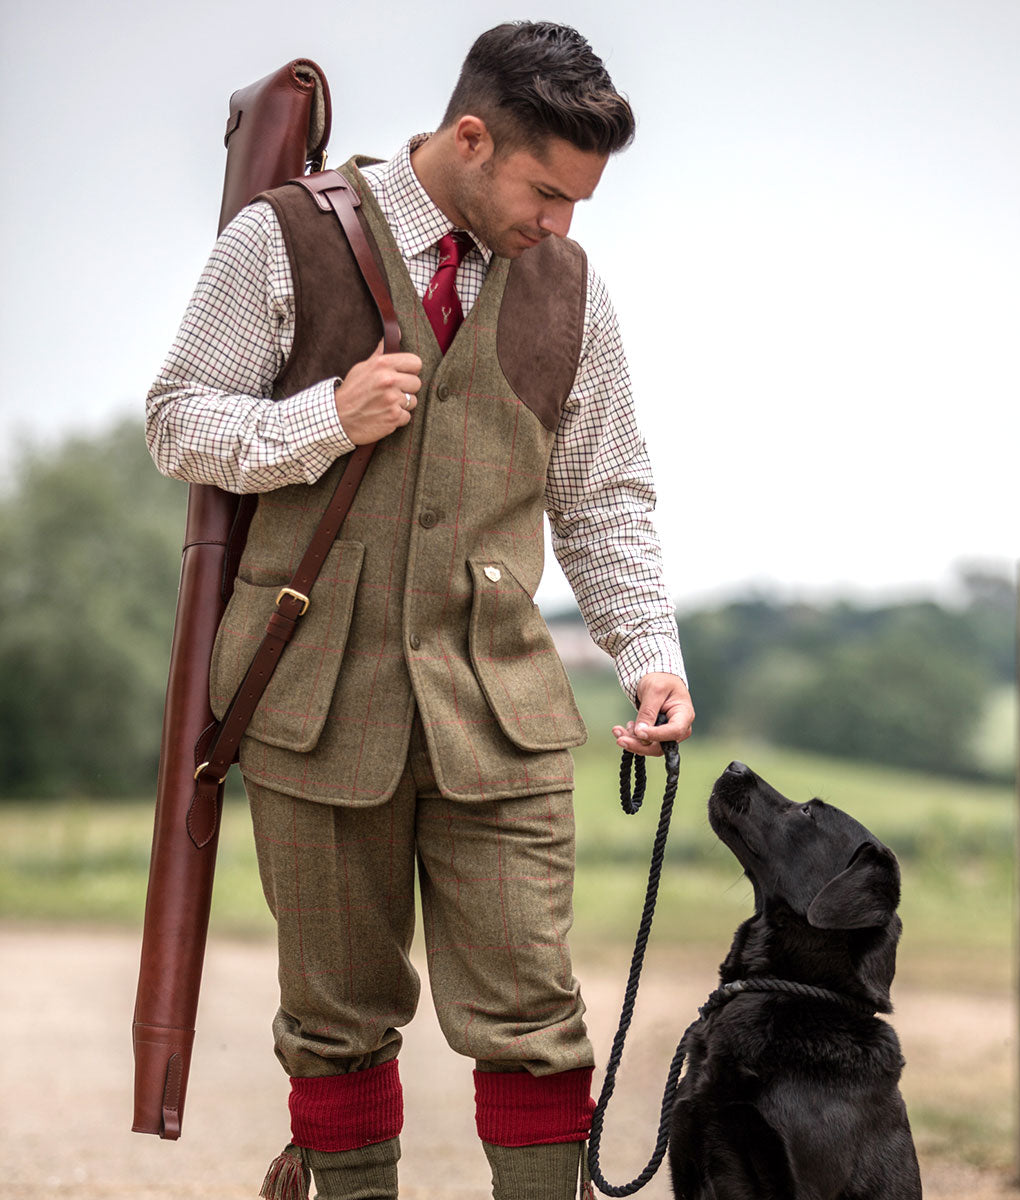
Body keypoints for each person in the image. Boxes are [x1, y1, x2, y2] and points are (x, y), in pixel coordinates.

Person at [146, 21, 693, 1200]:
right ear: (470, 136)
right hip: (308, 702)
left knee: (535, 1021)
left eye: (580, 200)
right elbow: (177, 419)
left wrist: (649, 650)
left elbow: (603, 492)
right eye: (547, 191)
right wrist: (320, 421)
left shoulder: (573, 291)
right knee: (335, 1026)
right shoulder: (281, 238)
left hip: (498, 712)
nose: (561, 225)